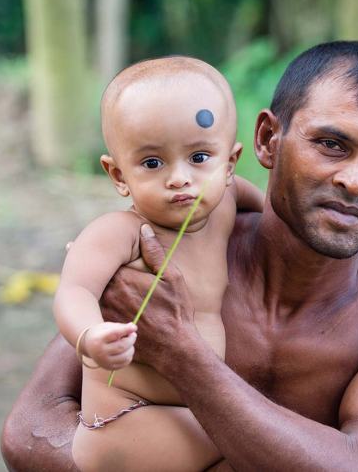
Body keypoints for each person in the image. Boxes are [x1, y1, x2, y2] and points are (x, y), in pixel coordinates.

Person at [2, 41, 358, 471]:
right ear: (267, 140)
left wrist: (180, 352)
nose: (356, 181)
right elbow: (28, 435)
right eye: (331, 144)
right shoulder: (171, 247)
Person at [52, 56, 263, 471]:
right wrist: (90, 336)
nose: (179, 178)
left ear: (230, 163)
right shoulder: (119, 232)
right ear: (117, 175)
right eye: (152, 163)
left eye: (200, 157)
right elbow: (74, 291)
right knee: (259, 448)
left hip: (193, 409)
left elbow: (279, 225)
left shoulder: (230, 200)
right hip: (126, 423)